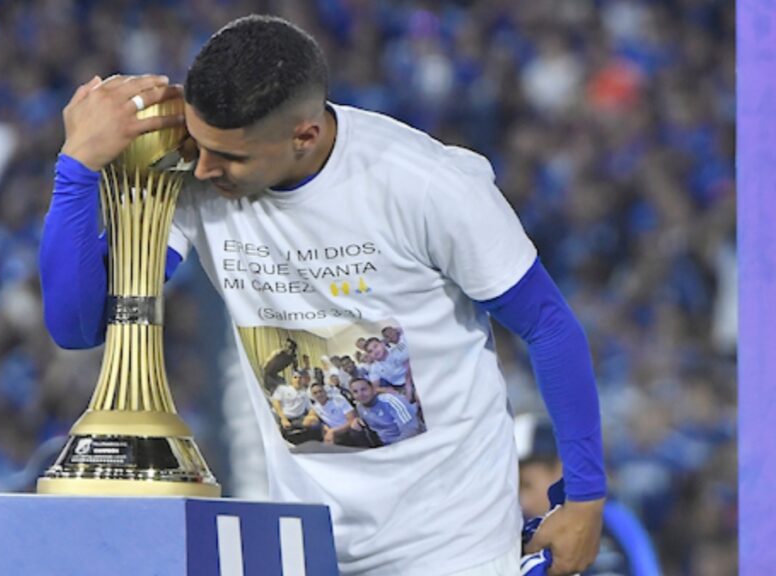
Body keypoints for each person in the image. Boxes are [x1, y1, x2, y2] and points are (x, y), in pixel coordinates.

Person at [40, 14, 605, 576]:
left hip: (452, 549)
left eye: (230, 156)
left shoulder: (426, 185)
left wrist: (584, 499)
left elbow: (548, 326)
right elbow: (80, 324)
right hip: (304, 547)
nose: (204, 167)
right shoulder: (201, 182)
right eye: (201, 144)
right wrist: (77, 169)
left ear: (304, 135)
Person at [515, 414, 662, 576]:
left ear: (559, 470)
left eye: (527, 485)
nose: (523, 501)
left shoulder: (613, 520)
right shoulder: (515, 536)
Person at [348, 378, 423, 445]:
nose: (360, 394)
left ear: (373, 390)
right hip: (385, 445)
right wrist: (358, 420)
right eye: (355, 392)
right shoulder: (360, 408)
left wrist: (394, 449)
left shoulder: (390, 401)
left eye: (364, 389)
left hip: (408, 441)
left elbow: (411, 429)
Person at [308, 381, 362, 446]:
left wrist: (333, 431)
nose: (319, 394)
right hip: (335, 434)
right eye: (315, 393)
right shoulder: (315, 407)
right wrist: (328, 431)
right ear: (312, 396)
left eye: (320, 391)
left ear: (325, 391)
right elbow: (317, 421)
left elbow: (352, 420)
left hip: (349, 430)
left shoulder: (339, 400)